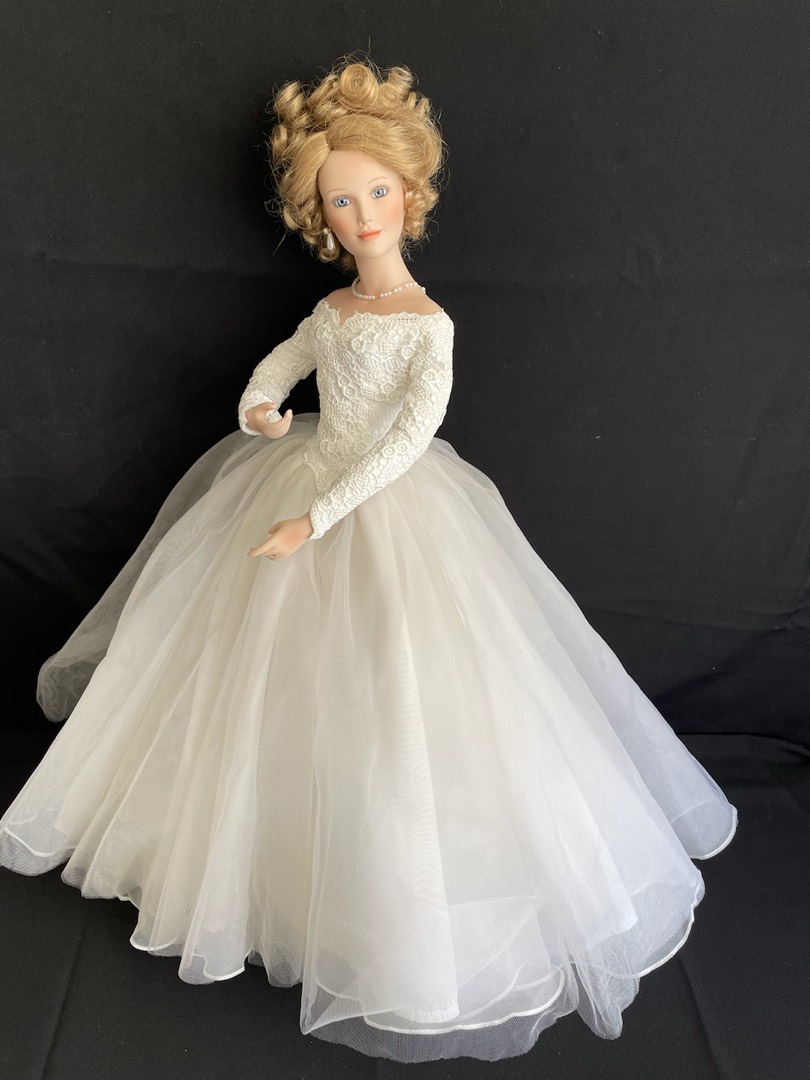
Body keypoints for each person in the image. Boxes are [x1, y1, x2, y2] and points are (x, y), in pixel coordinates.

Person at [0, 58, 737, 1063]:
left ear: (409, 195)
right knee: (262, 677)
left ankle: (388, 891)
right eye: (341, 203)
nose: (362, 217)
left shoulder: (428, 326)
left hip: (386, 509)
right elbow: (289, 360)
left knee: (399, 687)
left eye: (377, 195)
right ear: (321, 216)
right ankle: (255, 859)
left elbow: (404, 442)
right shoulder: (336, 311)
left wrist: (316, 518)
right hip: (298, 473)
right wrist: (259, 405)